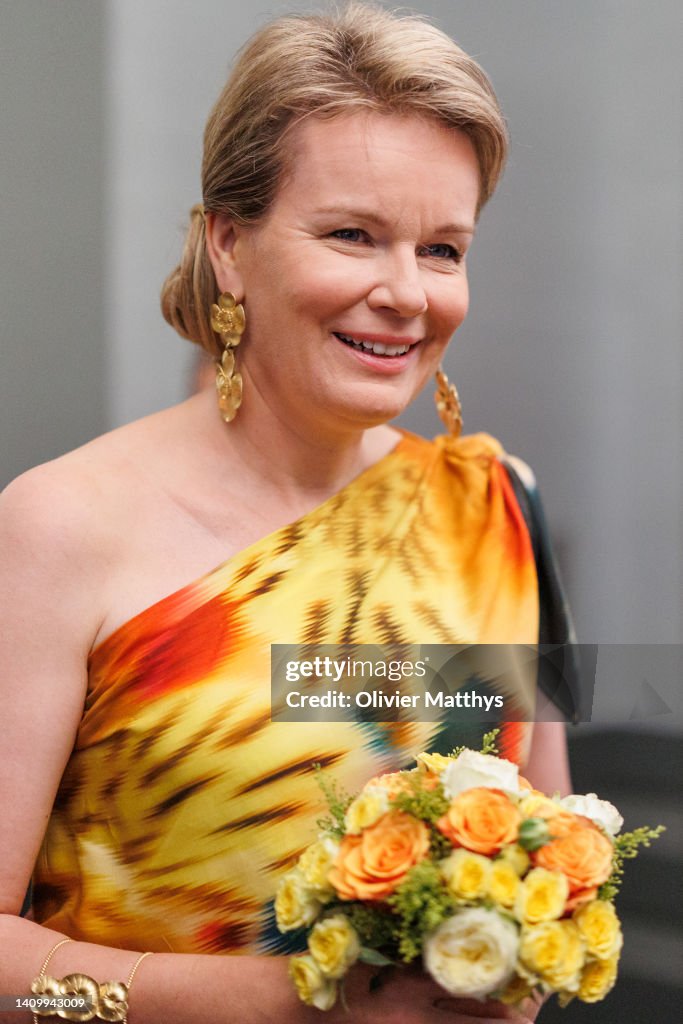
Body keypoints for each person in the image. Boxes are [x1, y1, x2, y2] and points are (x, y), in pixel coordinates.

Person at [0, 4, 574, 1021]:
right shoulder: (57, 526)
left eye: (441, 249)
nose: (406, 292)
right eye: (353, 235)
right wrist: (289, 1001)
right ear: (229, 243)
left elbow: (555, 860)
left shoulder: (493, 507)